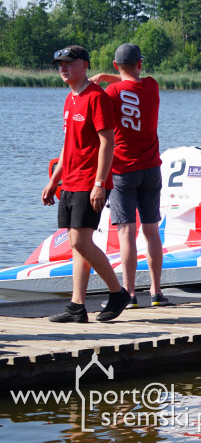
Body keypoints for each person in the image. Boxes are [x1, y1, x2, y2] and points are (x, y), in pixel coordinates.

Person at [44, 45, 132, 323]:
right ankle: (77, 306)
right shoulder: (70, 99)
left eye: (69, 63)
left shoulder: (97, 98)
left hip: (89, 181)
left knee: (79, 240)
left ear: (84, 66)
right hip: (69, 180)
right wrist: (53, 181)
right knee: (78, 245)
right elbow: (68, 145)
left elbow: (108, 141)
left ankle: (118, 293)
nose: (63, 68)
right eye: (59, 64)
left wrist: (98, 183)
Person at [88, 43, 169, 309]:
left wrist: (100, 78)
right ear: (140, 64)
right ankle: (156, 292)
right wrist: (108, 77)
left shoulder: (110, 92)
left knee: (126, 232)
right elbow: (132, 80)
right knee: (151, 230)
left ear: (115, 66)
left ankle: (131, 294)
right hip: (151, 169)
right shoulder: (152, 86)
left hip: (123, 170)